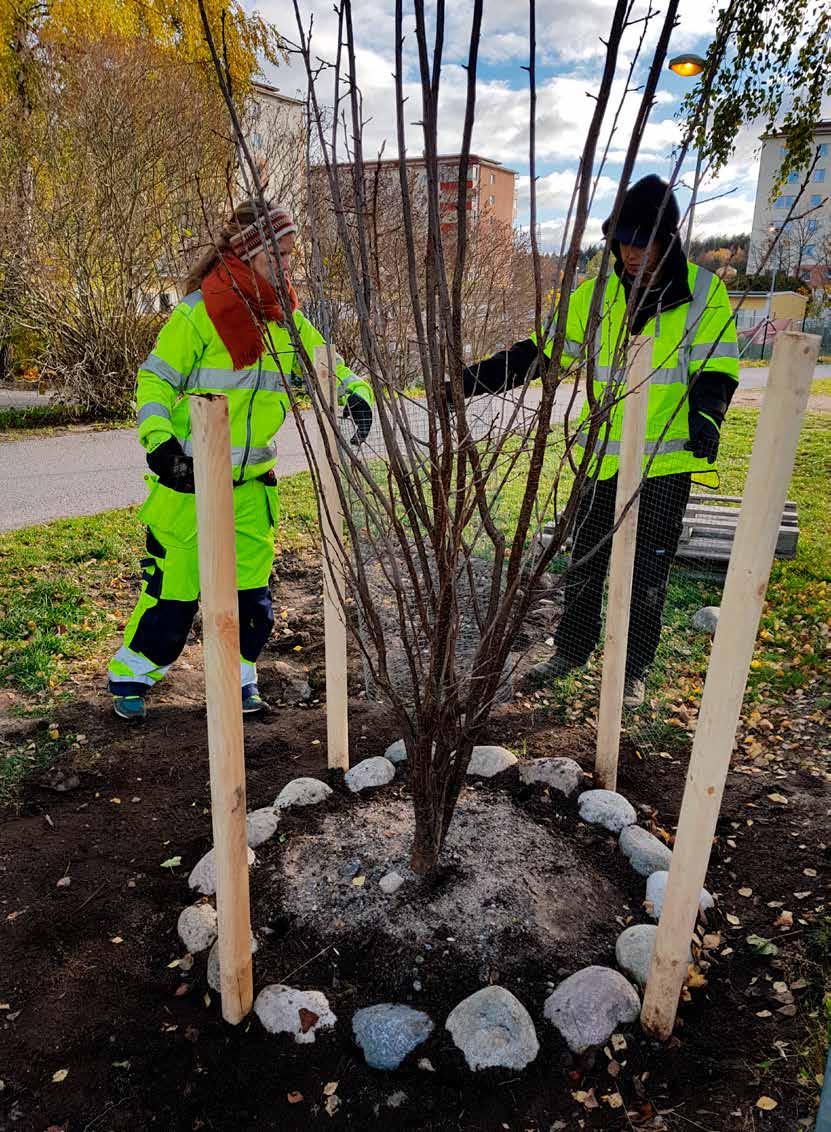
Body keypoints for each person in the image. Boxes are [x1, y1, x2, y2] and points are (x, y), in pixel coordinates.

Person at [455, 175, 739, 706]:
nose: (631, 254)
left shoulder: (704, 292)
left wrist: (709, 416)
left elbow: (716, 366)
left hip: (664, 462)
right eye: (623, 243)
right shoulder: (597, 295)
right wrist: (473, 380)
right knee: (585, 559)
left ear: (667, 239)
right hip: (602, 461)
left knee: (647, 568)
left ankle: (633, 669)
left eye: (643, 242)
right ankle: (572, 649)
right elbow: (541, 351)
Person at [107, 199, 373, 721]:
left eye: (293, 257)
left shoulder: (285, 317)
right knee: (172, 599)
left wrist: (355, 393)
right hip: (187, 483)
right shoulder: (198, 314)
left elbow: (328, 364)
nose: (289, 267)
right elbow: (155, 380)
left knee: (253, 602)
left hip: (252, 487)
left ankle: (241, 677)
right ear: (252, 254)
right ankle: (133, 675)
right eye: (282, 257)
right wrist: (160, 443)